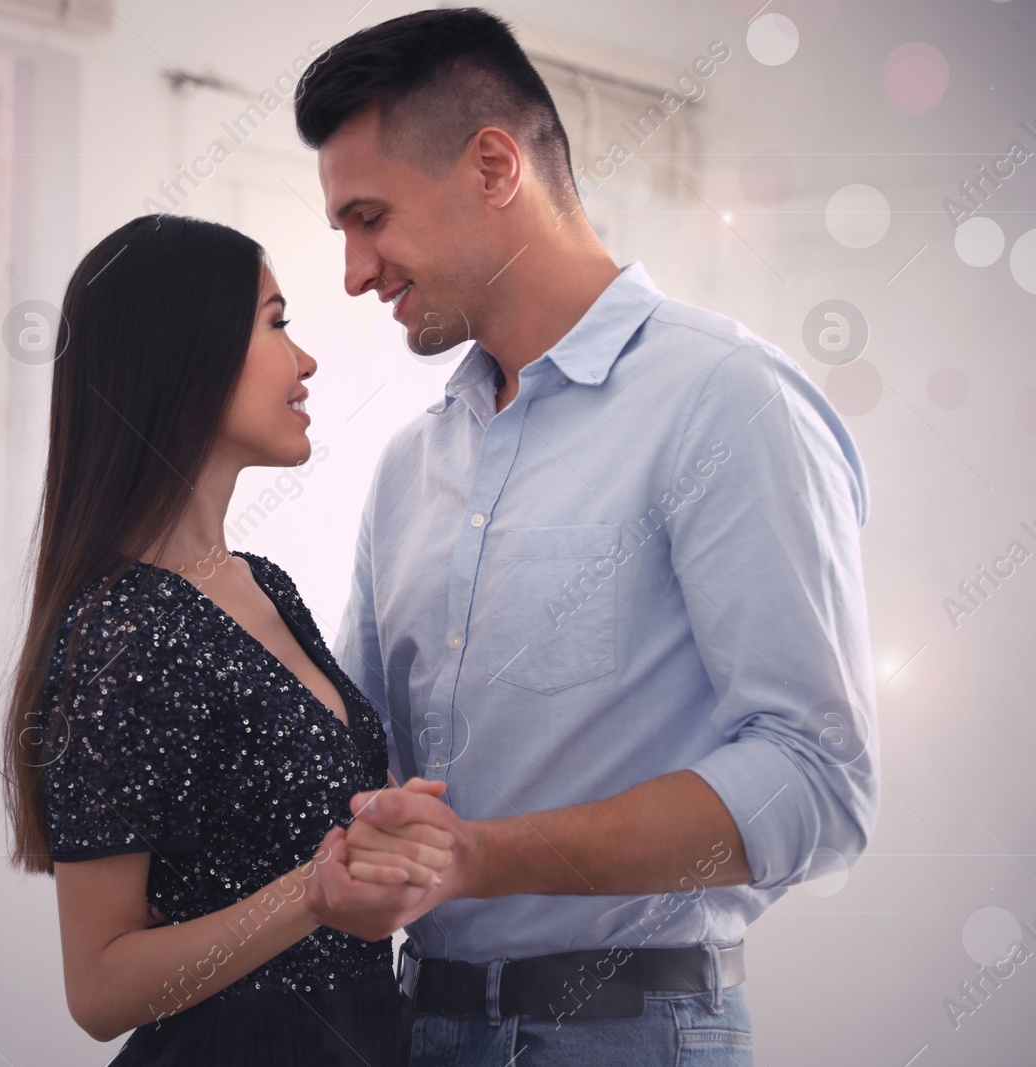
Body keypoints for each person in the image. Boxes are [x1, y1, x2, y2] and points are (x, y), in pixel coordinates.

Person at [290, 9, 881, 1066]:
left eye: (368, 217)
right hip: (410, 1030)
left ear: (492, 164)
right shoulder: (405, 467)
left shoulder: (724, 403)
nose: (353, 270)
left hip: (628, 1035)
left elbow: (816, 780)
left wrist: (480, 858)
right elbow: (364, 761)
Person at [0, 213, 455, 1066]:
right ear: (186, 354)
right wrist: (314, 896)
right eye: (278, 323)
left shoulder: (262, 582)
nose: (305, 360)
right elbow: (98, 988)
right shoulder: (124, 630)